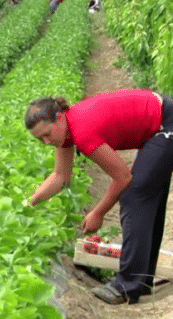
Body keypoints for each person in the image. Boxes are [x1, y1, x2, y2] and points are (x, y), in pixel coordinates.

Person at [24, 89, 173, 305]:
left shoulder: (82, 131)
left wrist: (98, 212)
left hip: (166, 123)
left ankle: (127, 284)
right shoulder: (65, 132)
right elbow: (60, 176)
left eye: (47, 134)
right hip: (158, 123)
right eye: (41, 139)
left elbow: (122, 177)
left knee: (134, 195)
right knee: (145, 195)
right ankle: (140, 280)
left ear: (58, 117)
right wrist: (27, 204)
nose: (46, 141)